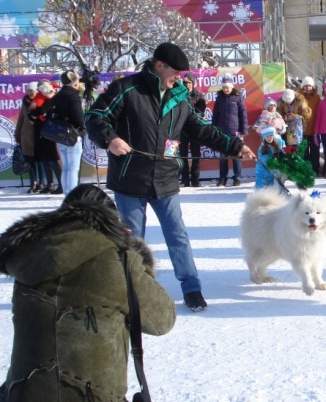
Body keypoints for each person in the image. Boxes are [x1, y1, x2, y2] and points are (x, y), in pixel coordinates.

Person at [0, 184, 176, 402]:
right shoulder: (118, 261)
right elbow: (162, 320)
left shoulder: (27, 259)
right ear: (111, 222)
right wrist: (139, 260)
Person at [85, 42, 256, 312]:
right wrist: (111, 139)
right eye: (175, 71)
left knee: (178, 236)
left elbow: (203, 129)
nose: (180, 77)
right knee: (132, 240)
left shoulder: (179, 97)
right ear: (159, 65)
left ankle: (191, 288)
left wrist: (235, 146)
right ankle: (131, 291)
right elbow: (95, 116)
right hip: (130, 179)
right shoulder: (126, 89)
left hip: (165, 179)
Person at [32, 70, 85, 196]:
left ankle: (67, 194)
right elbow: (78, 117)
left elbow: (41, 110)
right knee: (73, 168)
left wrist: (34, 110)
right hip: (72, 134)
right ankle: (71, 196)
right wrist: (83, 127)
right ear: (75, 81)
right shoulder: (73, 96)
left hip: (59, 135)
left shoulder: (58, 95)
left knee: (66, 167)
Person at [213, 74, 248, 187]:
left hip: (235, 132)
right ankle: (222, 178)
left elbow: (243, 115)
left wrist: (243, 132)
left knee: (236, 156)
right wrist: (214, 130)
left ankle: (237, 178)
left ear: (232, 87)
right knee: (223, 156)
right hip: (222, 132)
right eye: (224, 87)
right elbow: (215, 115)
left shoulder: (238, 98)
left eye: (227, 87)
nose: (225, 89)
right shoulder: (219, 98)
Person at [30, 80, 64, 194]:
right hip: (40, 132)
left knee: (53, 158)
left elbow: (41, 110)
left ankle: (61, 184)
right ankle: (49, 184)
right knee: (44, 159)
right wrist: (34, 113)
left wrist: (36, 112)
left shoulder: (51, 98)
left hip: (50, 132)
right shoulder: (37, 99)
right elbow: (32, 114)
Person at [179, 72, 207, 187]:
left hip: (195, 130)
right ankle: (185, 180)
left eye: (189, 82)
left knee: (196, 155)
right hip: (182, 130)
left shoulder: (199, 96)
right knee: (182, 156)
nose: (186, 85)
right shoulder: (179, 96)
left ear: (193, 83)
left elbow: (200, 112)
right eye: (184, 82)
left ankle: (195, 180)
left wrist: (189, 115)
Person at [14, 82, 41, 193]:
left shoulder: (40, 102)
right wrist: (17, 135)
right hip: (26, 138)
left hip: (38, 137)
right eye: (28, 91)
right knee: (29, 162)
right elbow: (20, 120)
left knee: (40, 162)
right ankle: (33, 183)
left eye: (32, 91)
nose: (30, 93)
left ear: (36, 92)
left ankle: (42, 183)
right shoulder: (25, 104)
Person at [299, 76, 322, 176]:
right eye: (306, 86)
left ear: (313, 87)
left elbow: (320, 112)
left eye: (310, 86)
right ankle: (305, 170)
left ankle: (315, 170)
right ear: (302, 87)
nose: (308, 88)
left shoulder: (317, 98)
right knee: (304, 152)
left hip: (314, 129)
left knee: (315, 152)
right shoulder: (298, 97)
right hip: (301, 130)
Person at [277, 88, 310, 153]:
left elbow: (307, 114)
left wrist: (296, 116)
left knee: (298, 146)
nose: (288, 103)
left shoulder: (301, 101)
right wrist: (285, 117)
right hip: (286, 128)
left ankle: (298, 159)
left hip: (298, 127)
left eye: (289, 101)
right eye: (286, 102)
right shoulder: (281, 102)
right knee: (289, 147)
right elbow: (278, 114)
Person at [255, 125, 287, 191]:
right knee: (263, 188)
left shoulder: (278, 143)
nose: (269, 138)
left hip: (275, 170)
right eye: (267, 136)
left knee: (277, 183)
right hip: (263, 170)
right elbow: (265, 161)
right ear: (264, 137)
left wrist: (282, 154)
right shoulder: (262, 148)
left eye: (271, 135)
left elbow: (285, 153)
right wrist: (274, 157)